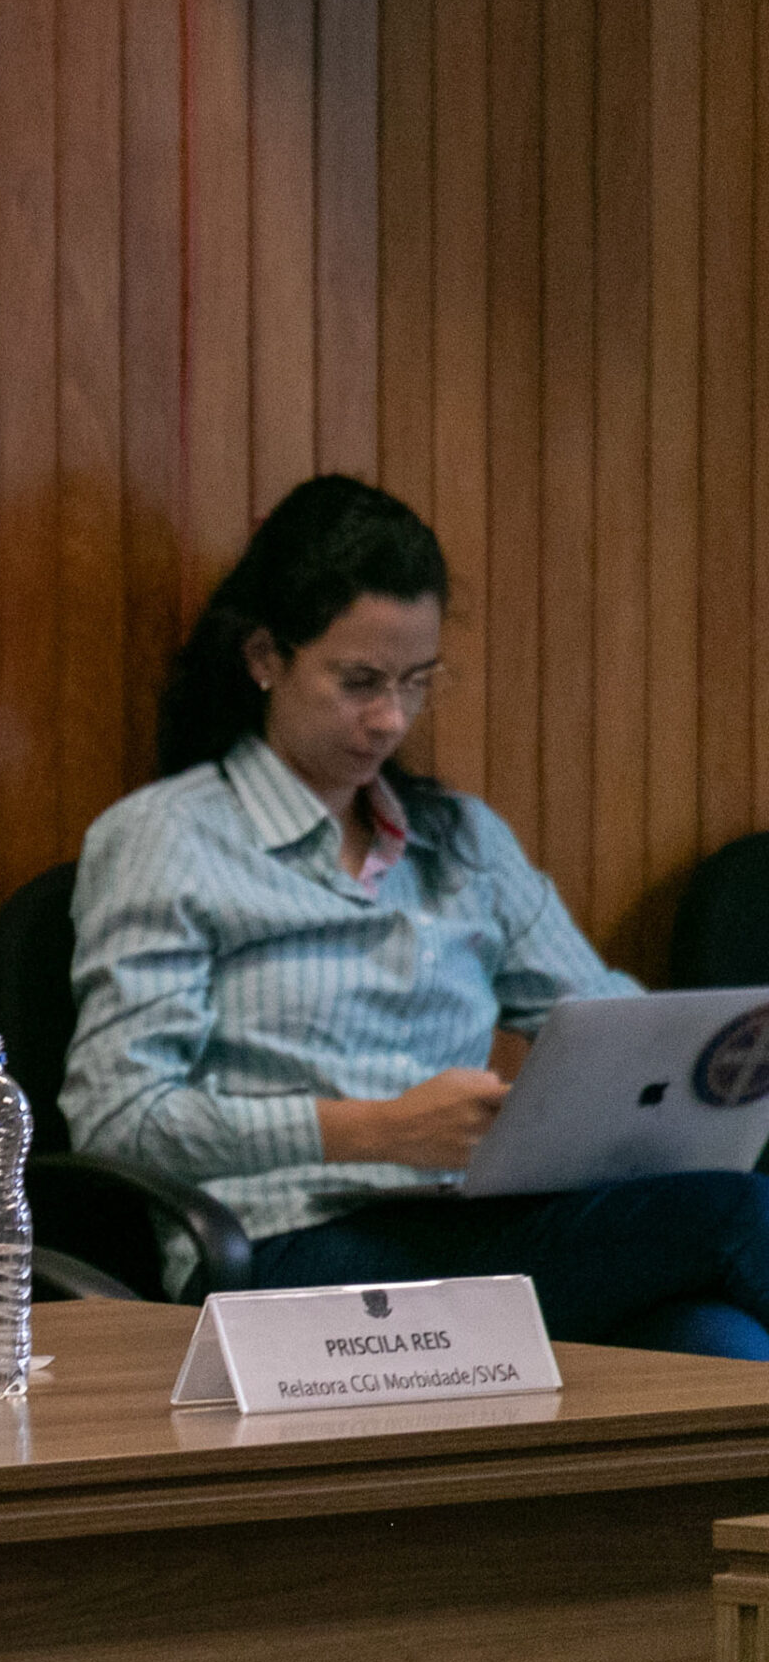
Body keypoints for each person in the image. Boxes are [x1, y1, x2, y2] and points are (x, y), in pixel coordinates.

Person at [62, 474, 769, 1356]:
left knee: (719, 1341)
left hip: (471, 1228)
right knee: (742, 1217)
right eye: (358, 681)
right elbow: (119, 1116)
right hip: (286, 1251)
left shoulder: (461, 843)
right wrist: (378, 1127)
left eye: (416, 681)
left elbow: (616, 1025)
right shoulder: (169, 839)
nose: (391, 718)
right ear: (264, 658)